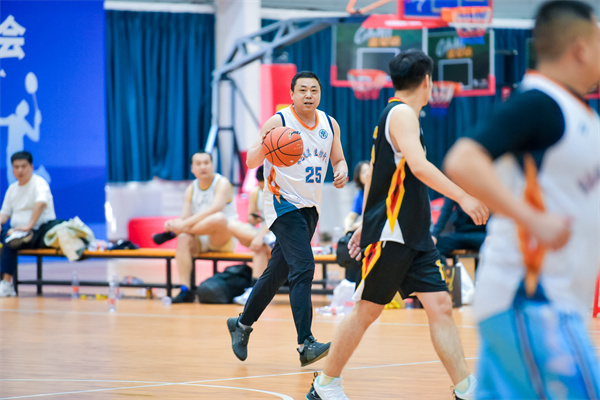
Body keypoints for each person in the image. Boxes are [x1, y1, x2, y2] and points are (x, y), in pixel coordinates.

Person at [306, 50, 488, 400]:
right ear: (427, 81)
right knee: (367, 310)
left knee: (440, 305)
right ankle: (325, 384)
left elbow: (377, 174)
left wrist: (363, 221)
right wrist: (464, 197)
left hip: (413, 233)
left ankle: (466, 388)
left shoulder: (400, 114)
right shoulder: (402, 114)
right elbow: (418, 166)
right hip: (393, 232)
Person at [444, 1, 600, 398]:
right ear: (580, 48)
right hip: (530, 299)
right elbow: (462, 159)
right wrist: (532, 219)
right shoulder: (539, 102)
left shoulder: (579, 113)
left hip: (553, 301)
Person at [227, 70, 349, 367]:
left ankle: (241, 324)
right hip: (282, 204)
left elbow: (338, 159)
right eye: (302, 90)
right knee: (304, 267)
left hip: (310, 208)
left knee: (277, 273)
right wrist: (267, 144)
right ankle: (306, 343)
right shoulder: (278, 122)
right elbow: (251, 161)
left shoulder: (330, 124)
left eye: (314, 90)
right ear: (292, 94)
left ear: (320, 94)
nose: (309, 95)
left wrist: (342, 171)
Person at [152, 151, 238, 303]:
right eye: (198, 163)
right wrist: (174, 223)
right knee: (184, 237)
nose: (203, 166)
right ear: (192, 168)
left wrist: (180, 226)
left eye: (206, 163)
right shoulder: (191, 189)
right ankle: (185, 290)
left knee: (218, 218)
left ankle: (176, 232)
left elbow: (214, 209)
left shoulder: (222, 183)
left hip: (222, 238)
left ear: (212, 165)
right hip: (200, 238)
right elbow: (185, 217)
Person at [0, 151, 57, 297]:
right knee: (7, 236)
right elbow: (4, 213)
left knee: (10, 242)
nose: (20, 170)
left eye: (23, 166)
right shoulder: (12, 189)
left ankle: (6, 283)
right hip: (16, 231)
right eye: (16, 167)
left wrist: (29, 225)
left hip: (38, 232)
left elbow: (41, 203)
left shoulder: (39, 183)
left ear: (31, 167)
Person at [227, 165, 275, 305]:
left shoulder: (280, 192)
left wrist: (260, 237)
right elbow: (250, 219)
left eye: (265, 187)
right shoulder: (255, 193)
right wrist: (254, 219)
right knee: (231, 225)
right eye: (260, 187)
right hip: (261, 236)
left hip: (277, 235)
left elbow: (274, 218)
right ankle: (255, 291)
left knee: (259, 247)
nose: (263, 189)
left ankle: (254, 290)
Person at [431, 196, 486, 265]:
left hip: (480, 234)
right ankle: (444, 270)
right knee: (435, 245)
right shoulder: (455, 190)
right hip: (459, 233)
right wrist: (434, 235)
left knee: (494, 244)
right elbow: (445, 211)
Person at [343, 161, 369, 234]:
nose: (367, 174)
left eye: (369, 170)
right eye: (364, 172)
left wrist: (361, 224)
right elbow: (351, 216)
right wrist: (348, 227)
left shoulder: (379, 192)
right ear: (359, 177)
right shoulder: (360, 195)